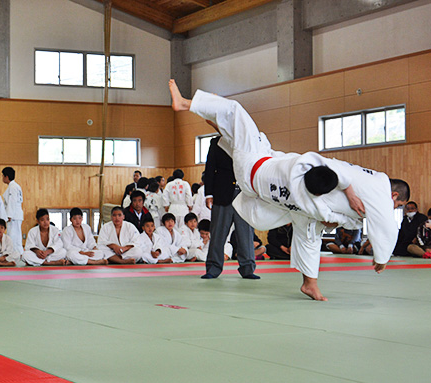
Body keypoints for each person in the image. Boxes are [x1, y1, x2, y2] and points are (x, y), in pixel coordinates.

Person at [170, 79, 408, 301]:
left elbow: (333, 169)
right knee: (308, 233)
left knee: (236, 113)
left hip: (256, 166)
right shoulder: (314, 205)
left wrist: (349, 192)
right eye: (397, 204)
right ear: (394, 196)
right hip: (256, 191)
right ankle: (309, 282)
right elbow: (342, 217)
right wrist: (381, 256)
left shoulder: (303, 165)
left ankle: (191, 104)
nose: (393, 207)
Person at [201, 135, 257, 280]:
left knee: (246, 233)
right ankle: (213, 267)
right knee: (218, 233)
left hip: (245, 194)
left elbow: (256, 166)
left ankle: (247, 268)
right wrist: (209, 194)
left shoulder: (248, 139)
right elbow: (210, 167)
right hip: (222, 193)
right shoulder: (216, 142)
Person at [2, 167, 24, 254]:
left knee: (13, 237)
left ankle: (17, 254)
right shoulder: (14, 186)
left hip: (14, 216)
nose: (2, 178)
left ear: (6, 177)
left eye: (3, 176)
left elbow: (12, 201)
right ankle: (17, 254)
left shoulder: (13, 187)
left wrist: (9, 215)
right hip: (16, 215)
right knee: (15, 236)